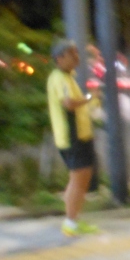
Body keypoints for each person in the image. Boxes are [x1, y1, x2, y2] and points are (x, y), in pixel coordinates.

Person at [46, 39, 98, 237]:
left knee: (79, 180)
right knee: (79, 180)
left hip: (78, 135)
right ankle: (70, 223)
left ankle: (73, 220)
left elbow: (77, 106)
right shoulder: (59, 78)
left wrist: (91, 102)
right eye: (72, 54)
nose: (76, 57)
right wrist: (88, 98)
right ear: (59, 58)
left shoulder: (67, 77)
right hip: (72, 137)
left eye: (76, 53)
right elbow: (68, 103)